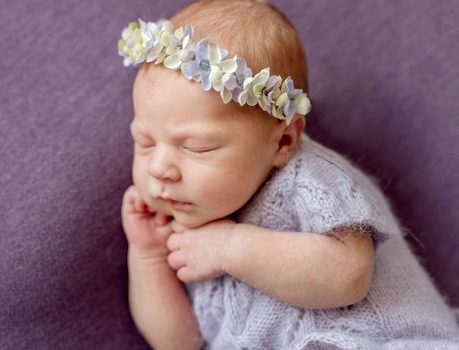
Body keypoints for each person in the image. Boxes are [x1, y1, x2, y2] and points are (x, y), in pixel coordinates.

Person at [119, 0, 459, 349]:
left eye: (198, 147)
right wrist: (148, 256)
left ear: (283, 140)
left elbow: (348, 276)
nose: (159, 168)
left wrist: (230, 247)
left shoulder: (310, 179)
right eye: (144, 143)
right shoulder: (188, 226)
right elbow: (179, 344)